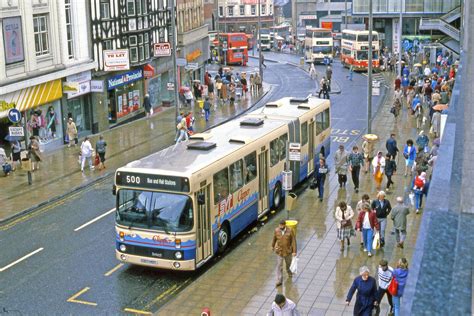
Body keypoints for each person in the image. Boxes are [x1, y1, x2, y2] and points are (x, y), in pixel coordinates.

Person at [272, 219, 297, 287]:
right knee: (279, 266)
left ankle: (289, 273)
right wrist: (273, 246)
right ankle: (279, 280)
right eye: (279, 225)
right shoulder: (276, 230)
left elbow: (293, 241)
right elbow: (274, 239)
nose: (280, 226)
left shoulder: (290, 230)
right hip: (279, 251)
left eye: (282, 225)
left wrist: (294, 251)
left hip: (288, 251)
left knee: (288, 264)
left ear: (284, 225)